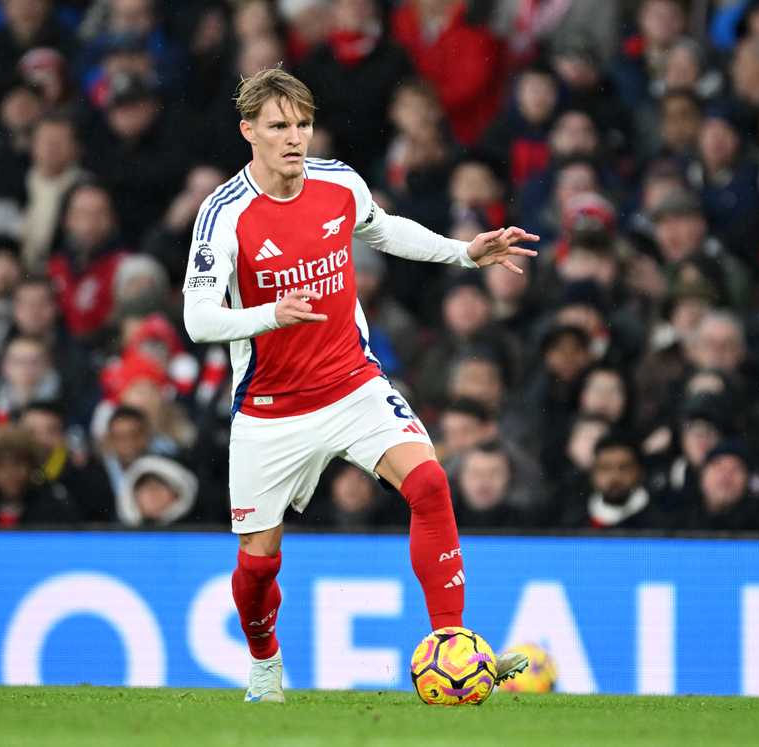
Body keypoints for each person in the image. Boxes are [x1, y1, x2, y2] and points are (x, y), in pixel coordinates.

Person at [181, 68, 537, 702]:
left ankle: (451, 645)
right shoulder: (224, 214)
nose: (295, 138)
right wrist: (270, 314)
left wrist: (463, 252)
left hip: (353, 384)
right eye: (279, 127)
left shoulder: (338, 181)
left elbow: (383, 229)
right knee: (257, 568)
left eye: (302, 124)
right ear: (248, 132)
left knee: (429, 482)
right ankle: (265, 663)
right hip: (271, 409)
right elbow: (198, 317)